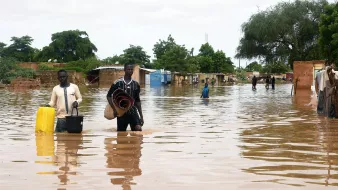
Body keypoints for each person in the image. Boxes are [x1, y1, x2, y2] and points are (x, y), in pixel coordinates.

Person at [107, 62, 144, 131]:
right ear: (124, 70)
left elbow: (137, 101)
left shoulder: (136, 84)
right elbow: (109, 96)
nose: (130, 71)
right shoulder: (117, 83)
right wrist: (114, 110)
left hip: (133, 111)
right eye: (128, 69)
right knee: (121, 134)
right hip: (121, 112)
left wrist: (141, 116)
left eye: (131, 69)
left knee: (138, 130)